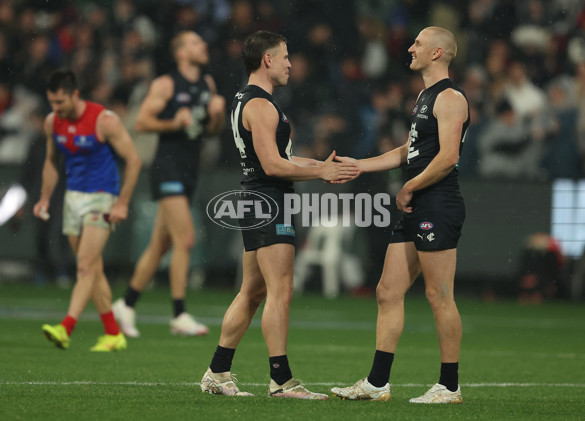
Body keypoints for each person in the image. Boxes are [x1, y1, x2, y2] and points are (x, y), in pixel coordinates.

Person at [200, 30, 357, 399]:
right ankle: (281, 381)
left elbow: (278, 160)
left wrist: (322, 165)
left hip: (256, 199)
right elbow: (272, 166)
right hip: (269, 201)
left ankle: (218, 371)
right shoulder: (261, 105)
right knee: (280, 290)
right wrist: (320, 172)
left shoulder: (248, 100)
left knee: (252, 292)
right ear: (267, 60)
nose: (290, 63)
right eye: (285, 56)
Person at [330, 27, 469, 404]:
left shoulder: (451, 97)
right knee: (388, 291)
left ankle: (450, 386)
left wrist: (409, 186)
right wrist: (361, 165)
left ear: (438, 52)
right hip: (418, 203)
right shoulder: (424, 96)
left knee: (439, 294)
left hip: (437, 202)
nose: (410, 48)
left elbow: (448, 157)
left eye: (419, 44)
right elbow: (408, 150)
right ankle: (377, 384)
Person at [112, 31, 226, 337]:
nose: (203, 45)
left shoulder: (208, 85)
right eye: (195, 42)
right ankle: (179, 314)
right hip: (167, 168)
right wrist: (173, 122)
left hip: (189, 171)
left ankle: (126, 304)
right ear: (181, 53)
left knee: (160, 244)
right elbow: (141, 122)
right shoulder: (166, 83)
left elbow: (211, 132)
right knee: (185, 239)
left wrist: (216, 116)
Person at [34, 69, 142, 351]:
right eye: (51, 103)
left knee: (84, 265)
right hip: (73, 198)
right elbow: (50, 161)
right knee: (92, 267)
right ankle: (113, 333)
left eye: (60, 102)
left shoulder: (104, 120)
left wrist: (122, 203)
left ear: (75, 95)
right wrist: (44, 198)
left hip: (102, 197)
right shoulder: (52, 122)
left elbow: (133, 160)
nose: (55, 109)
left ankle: (66, 327)